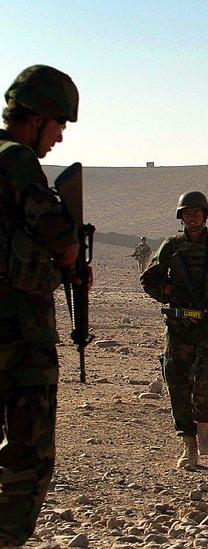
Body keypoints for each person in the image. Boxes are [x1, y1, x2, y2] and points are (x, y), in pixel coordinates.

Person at [0, 64, 81, 546]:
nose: (59, 139)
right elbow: (61, 237)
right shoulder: (17, 160)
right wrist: (68, 255)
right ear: (37, 118)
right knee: (28, 461)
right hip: (17, 337)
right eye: (59, 127)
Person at [140, 191, 208, 470]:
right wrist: (168, 291)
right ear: (181, 216)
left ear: (205, 214)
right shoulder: (171, 246)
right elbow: (148, 279)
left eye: (197, 212)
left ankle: (204, 424)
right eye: (187, 213)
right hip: (177, 326)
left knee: (206, 380)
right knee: (176, 382)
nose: (192, 217)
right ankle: (188, 444)